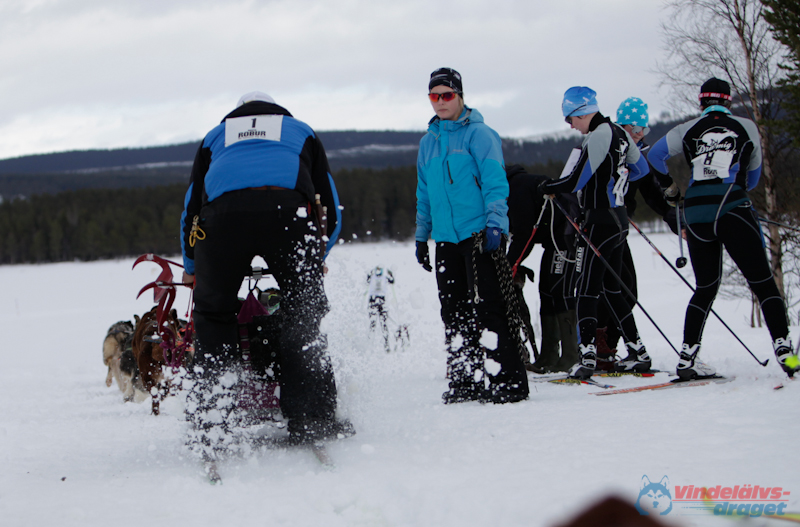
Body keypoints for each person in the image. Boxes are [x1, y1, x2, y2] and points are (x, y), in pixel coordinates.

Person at [180, 91, 351, 460]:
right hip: (288, 215)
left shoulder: (215, 136)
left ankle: (213, 422)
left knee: (213, 316)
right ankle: (314, 418)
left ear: (239, 111)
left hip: (222, 220)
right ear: (277, 110)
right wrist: (316, 256)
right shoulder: (300, 131)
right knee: (304, 315)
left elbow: (192, 207)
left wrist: (194, 269)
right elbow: (331, 205)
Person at [647, 77, 799, 379]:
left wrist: (671, 187)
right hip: (732, 207)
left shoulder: (686, 128)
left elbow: (654, 155)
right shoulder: (747, 127)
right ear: (727, 101)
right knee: (763, 282)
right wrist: (737, 187)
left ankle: (687, 357)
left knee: (705, 288)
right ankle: (785, 352)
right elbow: (752, 177)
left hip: (696, 211)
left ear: (701, 102)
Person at [415, 67, 529, 404]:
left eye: (446, 95)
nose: (440, 102)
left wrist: (496, 223)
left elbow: (496, 183)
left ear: (460, 95)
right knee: (453, 311)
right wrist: (423, 236)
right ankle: (466, 380)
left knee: (490, 308)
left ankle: (507, 382)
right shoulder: (427, 142)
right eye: (434, 96)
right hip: (447, 239)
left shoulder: (480, 134)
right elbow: (424, 191)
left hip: (481, 235)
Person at [540, 86, 651, 380]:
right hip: (619, 220)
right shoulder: (619, 132)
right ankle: (639, 352)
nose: (571, 126)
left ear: (582, 111)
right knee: (612, 290)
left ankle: (587, 356)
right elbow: (640, 169)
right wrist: (618, 176)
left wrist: (549, 186)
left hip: (600, 221)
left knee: (586, 290)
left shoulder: (600, 133)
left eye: (570, 119)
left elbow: (577, 180)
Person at [594, 97, 678, 372]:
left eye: (644, 128)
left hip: (618, 226)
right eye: (636, 127)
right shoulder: (609, 145)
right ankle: (599, 346)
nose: (641, 134)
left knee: (626, 288)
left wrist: (673, 216)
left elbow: (653, 192)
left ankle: (612, 346)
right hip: (599, 225)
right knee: (613, 287)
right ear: (624, 126)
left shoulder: (637, 154)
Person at [505, 164, 579, 373]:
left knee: (559, 292)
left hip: (565, 238)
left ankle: (571, 355)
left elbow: (524, 235)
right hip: (553, 240)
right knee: (546, 292)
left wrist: (509, 264)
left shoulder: (517, 188)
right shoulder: (517, 184)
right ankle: (549, 355)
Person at [366, 265, 394, 352]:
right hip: (373, 301)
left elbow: (392, 281)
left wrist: (391, 274)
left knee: (383, 324)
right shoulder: (372, 276)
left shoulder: (384, 277)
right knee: (373, 324)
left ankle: (386, 344)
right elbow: (367, 280)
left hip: (381, 301)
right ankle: (370, 345)